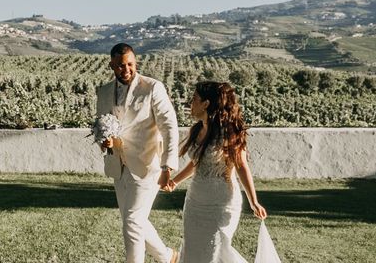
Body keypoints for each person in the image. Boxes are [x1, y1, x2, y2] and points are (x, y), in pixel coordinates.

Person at [96, 43, 180, 263]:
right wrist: (103, 142)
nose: (126, 70)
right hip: (117, 164)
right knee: (133, 220)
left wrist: (167, 166)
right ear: (111, 65)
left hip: (147, 164)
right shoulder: (104, 92)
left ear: (135, 62)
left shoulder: (152, 87)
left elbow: (169, 126)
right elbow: (101, 125)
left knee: (133, 222)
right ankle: (167, 256)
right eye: (121, 66)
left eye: (130, 64)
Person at [166, 81, 267, 263]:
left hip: (221, 204)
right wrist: (175, 181)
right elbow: (197, 162)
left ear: (206, 104)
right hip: (195, 203)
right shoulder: (197, 129)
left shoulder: (229, 132)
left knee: (215, 252)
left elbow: (242, 166)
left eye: (194, 99)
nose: (190, 103)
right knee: (192, 252)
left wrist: (254, 201)